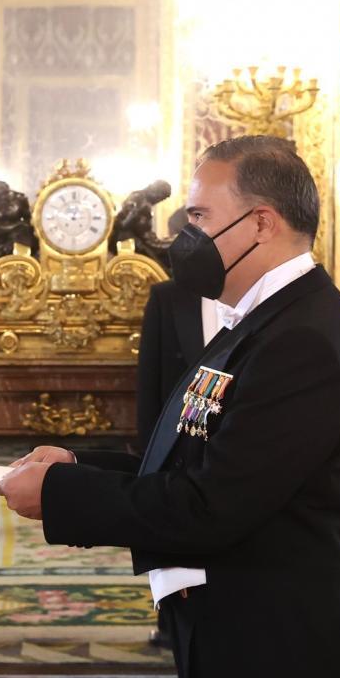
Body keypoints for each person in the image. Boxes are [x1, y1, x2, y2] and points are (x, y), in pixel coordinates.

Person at [0, 136, 340, 678]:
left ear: (261, 223)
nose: (186, 236)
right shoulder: (261, 320)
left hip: (283, 648)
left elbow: (212, 505)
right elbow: (200, 461)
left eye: (199, 216)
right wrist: (76, 464)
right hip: (243, 629)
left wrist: (59, 494)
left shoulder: (302, 341)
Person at [133, 279, 217, 650]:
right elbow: (151, 381)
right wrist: (151, 453)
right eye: (194, 216)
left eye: (203, 215)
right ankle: (170, 622)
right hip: (178, 445)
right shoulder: (167, 297)